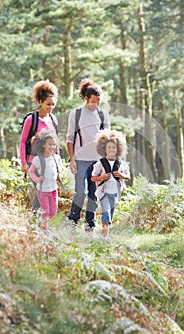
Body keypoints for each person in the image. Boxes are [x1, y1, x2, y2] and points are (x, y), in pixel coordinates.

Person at [66, 78, 110, 232]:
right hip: (80, 160)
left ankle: (90, 224)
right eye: (93, 101)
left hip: (97, 161)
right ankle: (73, 219)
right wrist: (72, 160)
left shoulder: (103, 115)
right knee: (80, 192)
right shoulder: (76, 113)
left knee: (93, 194)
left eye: (98, 101)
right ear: (86, 98)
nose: (95, 104)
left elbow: (108, 139)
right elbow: (70, 138)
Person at [19, 79, 59, 210]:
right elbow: (23, 141)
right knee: (40, 190)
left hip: (49, 163)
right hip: (34, 162)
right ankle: (36, 219)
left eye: (53, 104)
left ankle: (42, 221)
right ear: (40, 102)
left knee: (48, 192)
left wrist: (58, 165)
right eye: (48, 104)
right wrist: (24, 162)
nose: (50, 107)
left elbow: (55, 144)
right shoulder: (32, 119)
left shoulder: (53, 120)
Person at [91, 129, 130, 239]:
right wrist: (102, 177)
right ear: (104, 149)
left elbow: (128, 177)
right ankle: (105, 236)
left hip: (115, 192)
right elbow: (93, 178)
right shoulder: (100, 163)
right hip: (104, 192)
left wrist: (122, 175)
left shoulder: (121, 164)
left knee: (110, 214)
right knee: (106, 213)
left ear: (118, 149)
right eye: (109, 147)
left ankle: (105, 231)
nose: (111, 149)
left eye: (114, 147)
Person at [28, 130, 62, 231]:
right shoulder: (38, 159)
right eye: (49, 144)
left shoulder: (57, 158)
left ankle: (46, 226)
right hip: (42, 191)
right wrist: (37, 179)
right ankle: (45, 230)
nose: (52, 147)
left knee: (53, 211)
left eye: (54, 145)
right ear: (43, 145)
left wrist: (58, 175)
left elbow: (57, 169)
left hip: (53, 190)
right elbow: (31, 172)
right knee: (46, 211)